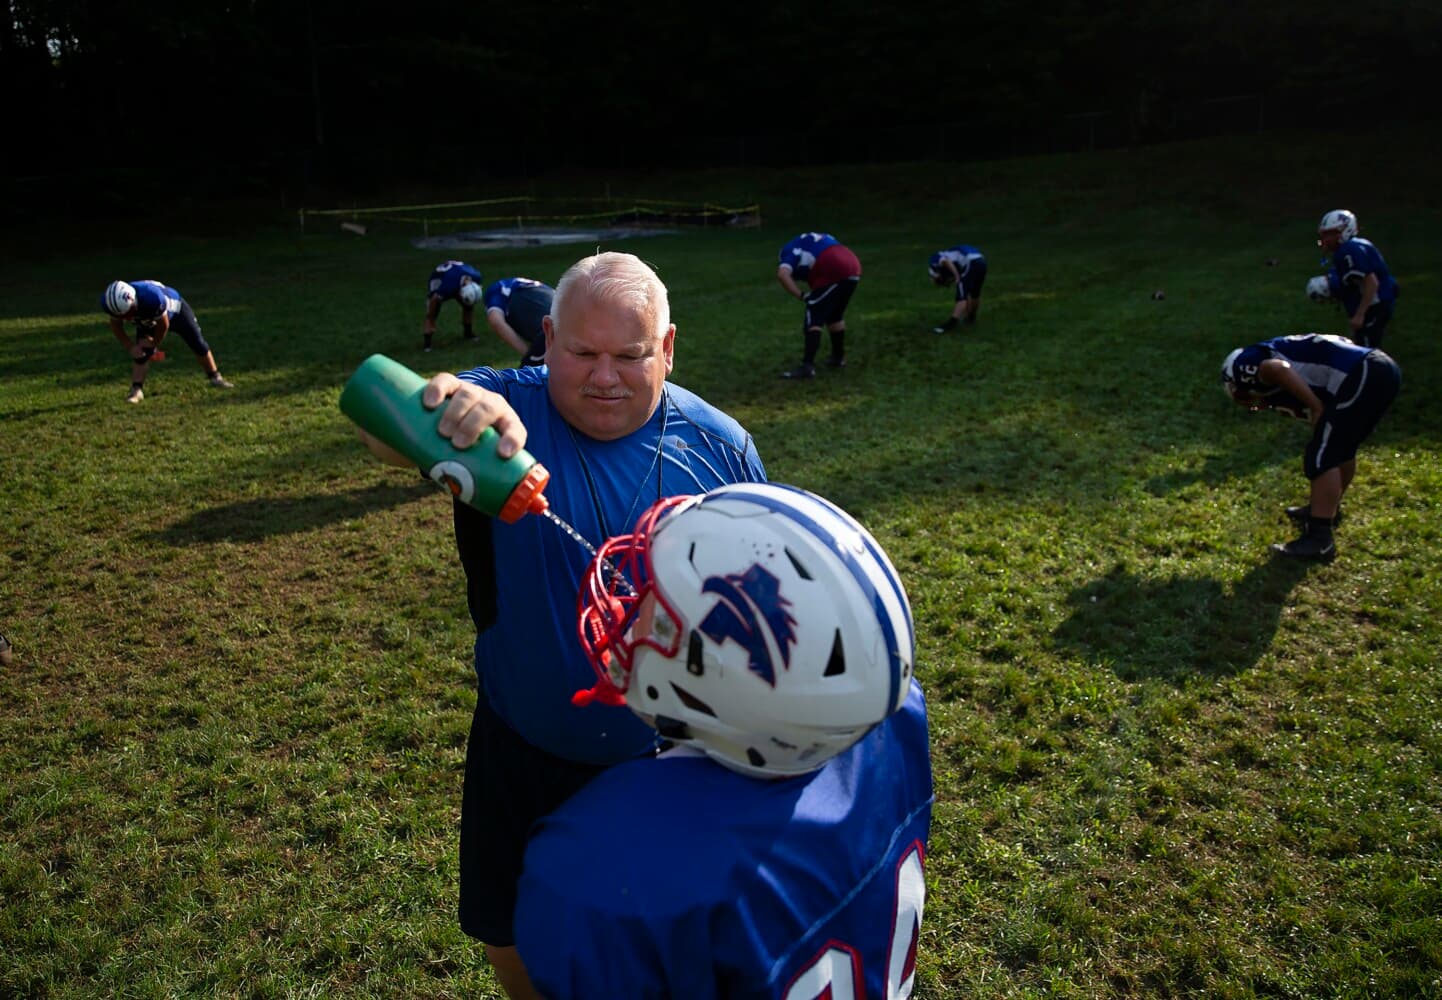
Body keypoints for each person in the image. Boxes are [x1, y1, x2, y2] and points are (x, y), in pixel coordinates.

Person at [357, 251, 767, 996]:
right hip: (521, 741)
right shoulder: (505, 416)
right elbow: (385, 426)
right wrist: (446, 400)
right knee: (503, 921)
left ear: (667, 349)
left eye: (630, 355)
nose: (603, 375)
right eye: (581, 352)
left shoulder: (722, 450)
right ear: (546, 338)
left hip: (666, 761)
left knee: (653, 943)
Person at [508, 481, 932, 999]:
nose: (630, 606)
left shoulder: (603, 864)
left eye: (657, 606)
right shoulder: (892, 717)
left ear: (716, 674)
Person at [1221, 332, 1401, 561]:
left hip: (1364, 371)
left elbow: (1278, 370)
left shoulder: (1243, 365)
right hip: (1378, 369)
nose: (1253, 404)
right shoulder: (1287, 354)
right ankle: (1326, 510)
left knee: (1321, 456)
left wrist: (1315, 406)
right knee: (1340, 448)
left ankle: (1319, 539)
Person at [100, 280, 235, 403]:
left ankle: (215, 377)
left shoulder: (151, 298)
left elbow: (163, 325)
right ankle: (136, 390)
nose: (127, 318)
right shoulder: (113, 304)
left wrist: (154, 344)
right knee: (141, 352)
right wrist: (130, 347)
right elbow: (116, 326)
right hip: (147, 317)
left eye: (128, 313)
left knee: (198, 342)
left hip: (176, 312)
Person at [775, 232, 862, 379]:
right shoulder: (811, 240)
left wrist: (801, 295)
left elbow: (782, 274)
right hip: (853, 264)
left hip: (832, 265)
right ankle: (838, 357)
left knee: (813, 314)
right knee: (835, 315)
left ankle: (807, 366)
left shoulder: (789, 251)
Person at [1315, 209, 1399, 349]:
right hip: (1379, 301)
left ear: (1345, 230)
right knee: (1362, 342)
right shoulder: (1355, 245)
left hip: (1375, 304)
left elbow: (1371, 282)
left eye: (1331, 233)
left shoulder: (1348, 250)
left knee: (1366, 348)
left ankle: (1374, 370)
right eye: (1325, 234)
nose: (1327, 239)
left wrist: (1360, 315)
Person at [482, 276, 555, 367]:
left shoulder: (500, 290)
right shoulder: (544, 291)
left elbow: (496, 321)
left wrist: (528, 354)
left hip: (550, 334)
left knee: (530, 376)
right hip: (566, 327)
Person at [423, 259, 485, 352]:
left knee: (468, 306)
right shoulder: (448, 286)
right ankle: (427, 343)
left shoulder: (477, 277)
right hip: (439, 277)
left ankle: (468, 333)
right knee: (433, 312)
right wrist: (431, 318)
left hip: (457, 273)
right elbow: (435, 299)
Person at [928, 244, 987, 333]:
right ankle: (971, 318)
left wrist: (956, 276)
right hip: (981, 260)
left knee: (961, 295)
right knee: (975, 293)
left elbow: (946, 262)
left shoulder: (934, 259)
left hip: (970, 261)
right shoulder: (951, 254)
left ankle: (951, 323)